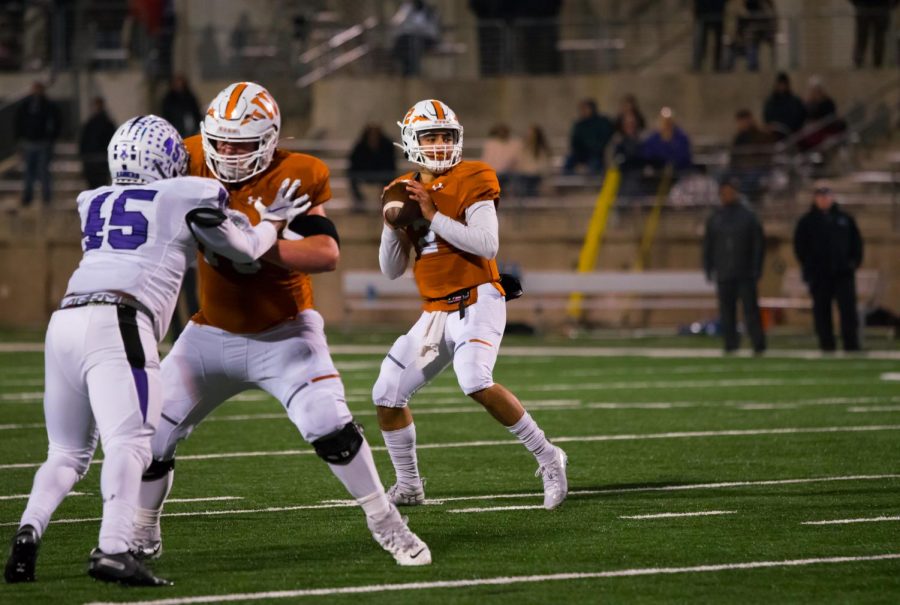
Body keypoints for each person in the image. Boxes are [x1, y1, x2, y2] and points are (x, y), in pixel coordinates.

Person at [132, 82, 431, 567]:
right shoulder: (186, 156)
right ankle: (143, 531)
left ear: (269, 139)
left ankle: (387, 522)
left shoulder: (296, 174)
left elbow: (326, 252)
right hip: (209, 331)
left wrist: (254, 241)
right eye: (221, 142)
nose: (228, 153)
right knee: (150, 437)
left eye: (242, 144)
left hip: (285, 333)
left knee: (328, 424)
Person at [3, 114, 309, 586]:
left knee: (65, 452)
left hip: (64, 321)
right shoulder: (187, 192)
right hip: (120, 319)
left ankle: (28, 531)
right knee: (131, 443)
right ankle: (114, 549)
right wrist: (272, 220)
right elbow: (246, 249)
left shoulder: (93, 199)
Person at [373, 99, 568, 510]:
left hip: (479, 297)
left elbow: (486, 243)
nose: (441, 144)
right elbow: (391, 269)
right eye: (431, 136)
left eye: (447, 135)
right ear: (412, 140)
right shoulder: (402, 188)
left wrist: (430, 214)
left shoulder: (474, 175)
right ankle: (409, 486)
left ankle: (549, 457)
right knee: (387, 394)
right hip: (435, 313)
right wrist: (392, 227)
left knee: (473, 378)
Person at [793, 184, 864, 352]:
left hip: (843, 273)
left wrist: (853, 263)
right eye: (820, 196)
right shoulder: (807, 222)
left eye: (827, 196)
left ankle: (851, 343)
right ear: (815, 198)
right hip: (819, 274)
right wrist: (809, 266)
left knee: (847, 310)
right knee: (822, 311)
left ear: (832, 198)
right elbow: (800, 247)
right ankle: (826, 344)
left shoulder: (845, 219)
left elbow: (857, 243)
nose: (824, 200)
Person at [703, 177, 767, 354]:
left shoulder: (748, 216)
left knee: (750, 311)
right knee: (726, 312)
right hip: (724, 272)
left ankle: (758, 344)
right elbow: (709, 244)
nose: (727, 195)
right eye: (724, 192)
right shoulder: (715, 217)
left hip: (745, 272)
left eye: (730, 192)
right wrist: (709, 267)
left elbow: (758, 244)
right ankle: (731, 344)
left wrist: (756, 268)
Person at [14, 81, 59, 207]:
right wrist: (20, 139)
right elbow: (19, 123)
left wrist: (51, 138)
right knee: (29, 172)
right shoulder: (25, 105)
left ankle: (46, 198)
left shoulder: (48, 106)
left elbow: (56, 122)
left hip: (43, 143)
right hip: (29, 143)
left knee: (43, 172)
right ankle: (27, 198)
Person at [348, 123, 396, 213]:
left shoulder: (387, 145)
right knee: (352, 176)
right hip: (365, 173)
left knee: (390, 178)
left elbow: (391, 163)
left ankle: (386, 202)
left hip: (383, 173)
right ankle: (359, 201)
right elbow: (354, 161)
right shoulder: (360, 146)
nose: (373, 136)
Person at [729, 109, 775, 202]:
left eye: (743, 121)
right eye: (739, 121)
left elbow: (765, 155)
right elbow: (734, 155)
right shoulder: (739, 138)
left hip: (758, 168)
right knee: (722, 175)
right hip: (740, 168)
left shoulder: (761, 135)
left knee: (749, 179)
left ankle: (745, 202)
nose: (741, 124)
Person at [563, 99, 614, 175]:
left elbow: (604, 140)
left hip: (596, 154)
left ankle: (593, 183)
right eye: (582, 109)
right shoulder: (579, 125)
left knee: (595, 164)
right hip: (581, 154)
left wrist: (594, 147)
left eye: (586, 108)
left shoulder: (601, 122)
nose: (583, 111)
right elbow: (574, 142)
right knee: (569, 162)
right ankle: (567, 183)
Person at [390, 0, 440, 76]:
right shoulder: (407, 8)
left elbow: (430, 30)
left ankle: (413, 72)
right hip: (409, 39)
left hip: (427, 39)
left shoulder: (428, 10)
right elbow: (396, 22)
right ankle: (409, 72)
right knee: (406, 42)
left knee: (413, 42)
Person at [78, 96, 117, 189]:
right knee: (94, 183)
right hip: (92, 157)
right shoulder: (91, 123)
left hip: (100, 157)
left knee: (100, 183)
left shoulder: (106, 123)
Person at [641, 107, 693, 174]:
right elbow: (648, 155)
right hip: (657, 173)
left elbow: (685, 156)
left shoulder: (681, 138)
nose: (667, 124)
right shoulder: (653, 139)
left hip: (679, 173)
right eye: (664, 121)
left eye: (669, 121)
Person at [850, 0, 899, 68]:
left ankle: (877, 64)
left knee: (878, 39)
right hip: (865, 8)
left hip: (880, 9)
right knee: (863, 38)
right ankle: (859, 62)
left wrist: (890, 5)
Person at [762, 72, 806, 140]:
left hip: (790, 134)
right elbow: (767, 116)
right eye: (780, 84)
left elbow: (798, 117)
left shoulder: (794, 101)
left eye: (783, 84)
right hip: (774, 133)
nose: (782, 87)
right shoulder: (771, 101)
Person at [480, 123, 522, 193]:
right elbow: (486, 159)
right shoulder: (491, 144)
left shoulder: (514, 143)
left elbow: (516, 159)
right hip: (495, 173)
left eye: (504, 131)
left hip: (509, 173)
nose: (502, 134)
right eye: (500, 132)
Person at [517, 124, 554, 197]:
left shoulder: (542, 149)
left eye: (531, 133)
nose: (529, 136)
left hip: (536, 175)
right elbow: (520, 163)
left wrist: (531, 171)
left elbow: (543, 166)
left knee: (531, 182)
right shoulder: (523, 147)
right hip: (524, 174)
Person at [160, 73, 202, 137]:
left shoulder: (189, 96)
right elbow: (166, 115)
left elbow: (196, 112)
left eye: (180, 82)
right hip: (175, 130)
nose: (179, 85)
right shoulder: (169, 99)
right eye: (176, 83)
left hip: (191, 130)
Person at [692, 0, 727, 71]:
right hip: (711, 13)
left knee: (703, 42)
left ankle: (700, 64)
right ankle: (714, 64)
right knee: (702, 42)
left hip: (710, 13)